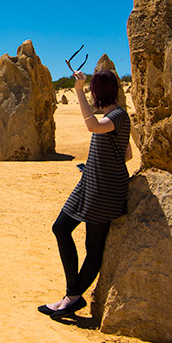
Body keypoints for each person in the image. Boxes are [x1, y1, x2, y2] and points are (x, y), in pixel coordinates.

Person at [39, 68, 132, 319]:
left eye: (92, 89)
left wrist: (78, 91)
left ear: (98, 91)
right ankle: (72, 295)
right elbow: (127, 154)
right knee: (60, 228)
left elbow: (92, 126)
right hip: (90, 182)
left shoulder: (119, 116)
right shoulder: (113, 117)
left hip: (105, 190)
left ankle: (71, 298)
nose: (90, 92)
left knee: (94, 248)